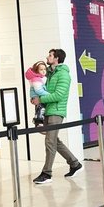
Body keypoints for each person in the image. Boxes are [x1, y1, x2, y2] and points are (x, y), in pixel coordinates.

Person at [31, 48, 82, 184]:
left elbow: (59, 95)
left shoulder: (63, 75)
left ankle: (46, 173)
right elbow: (33, 77)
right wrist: (35, 98)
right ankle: (75, 164)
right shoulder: (49, 73)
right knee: (53, 140)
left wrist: (40, 100)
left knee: (50, 141)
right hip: (47, 110)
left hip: (56, 111)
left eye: (50, 55)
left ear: (56, 58)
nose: (47, 57)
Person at [24, 60, 49, 125]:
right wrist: (48, 94)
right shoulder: (36, 79)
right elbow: (38, 90)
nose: (43, 71)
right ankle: (38, 120)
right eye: (41, 69)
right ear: (37, 71)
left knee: (40, 108)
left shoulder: (41, 78)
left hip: (37, 96)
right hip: (36, 96)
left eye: (44, 69)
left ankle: (39, 119)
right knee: (41, 108)